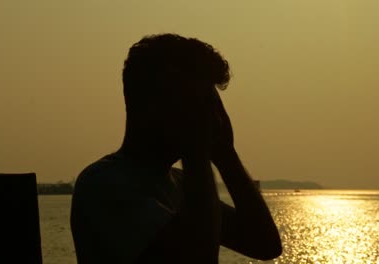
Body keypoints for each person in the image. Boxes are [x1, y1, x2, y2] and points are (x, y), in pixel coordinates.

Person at [70, 34, 282, 263]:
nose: (214, 120)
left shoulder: (179, 184)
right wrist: (197, 153)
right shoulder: (105, 185)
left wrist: (226, 155)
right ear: (152, 105)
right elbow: (198, 257)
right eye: (198, 105)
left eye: (213, 107)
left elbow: (265, 245)